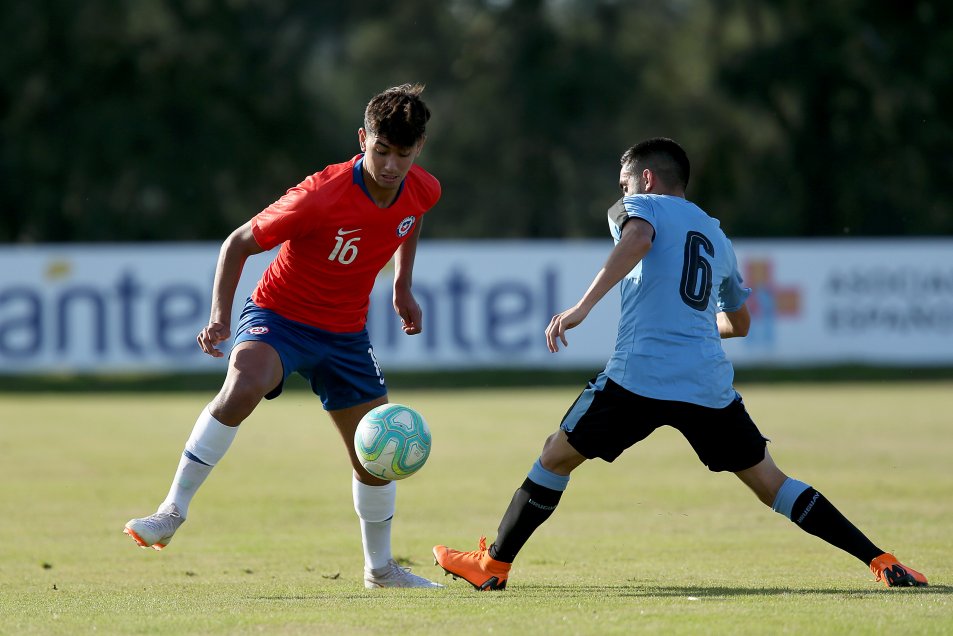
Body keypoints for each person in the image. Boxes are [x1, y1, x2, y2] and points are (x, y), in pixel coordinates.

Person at [433, 137, 928, 591]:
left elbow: (637, 238)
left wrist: (583, 307)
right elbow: (741, 323)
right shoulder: (717, 236)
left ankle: (494, 565)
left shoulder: (643, 206)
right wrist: (694, 328)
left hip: (638, 377)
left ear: (646, 179)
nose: (622, 193)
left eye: (625, 183)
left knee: (555, 456)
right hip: (705, 383)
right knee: (771, 484)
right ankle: (881, 560)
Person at [124, 84, 443, 589]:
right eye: (381, 150)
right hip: (280, 317)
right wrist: (219, 317)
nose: (390, 165)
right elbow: (236, 244)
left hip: (346, 334)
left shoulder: (424, 188)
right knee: (244, 384)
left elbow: (411, 217)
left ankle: (380, 570)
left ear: (418, 147)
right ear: (363, 139)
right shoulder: (318, 195)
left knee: (374, 453)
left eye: (402, 154)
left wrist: (402, 285)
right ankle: (171, 511)